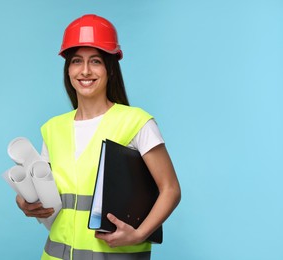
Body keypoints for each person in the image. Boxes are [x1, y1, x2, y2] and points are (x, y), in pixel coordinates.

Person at [16, 14, 181, 260]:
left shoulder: (136, 122)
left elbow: (170, 189)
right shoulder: (53, 129)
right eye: (76, 61)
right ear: (68, 69)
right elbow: (47, 191)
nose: (84, 71)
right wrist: (25, 201)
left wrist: (139, 234)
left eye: (95, 61)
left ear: (110, 69)